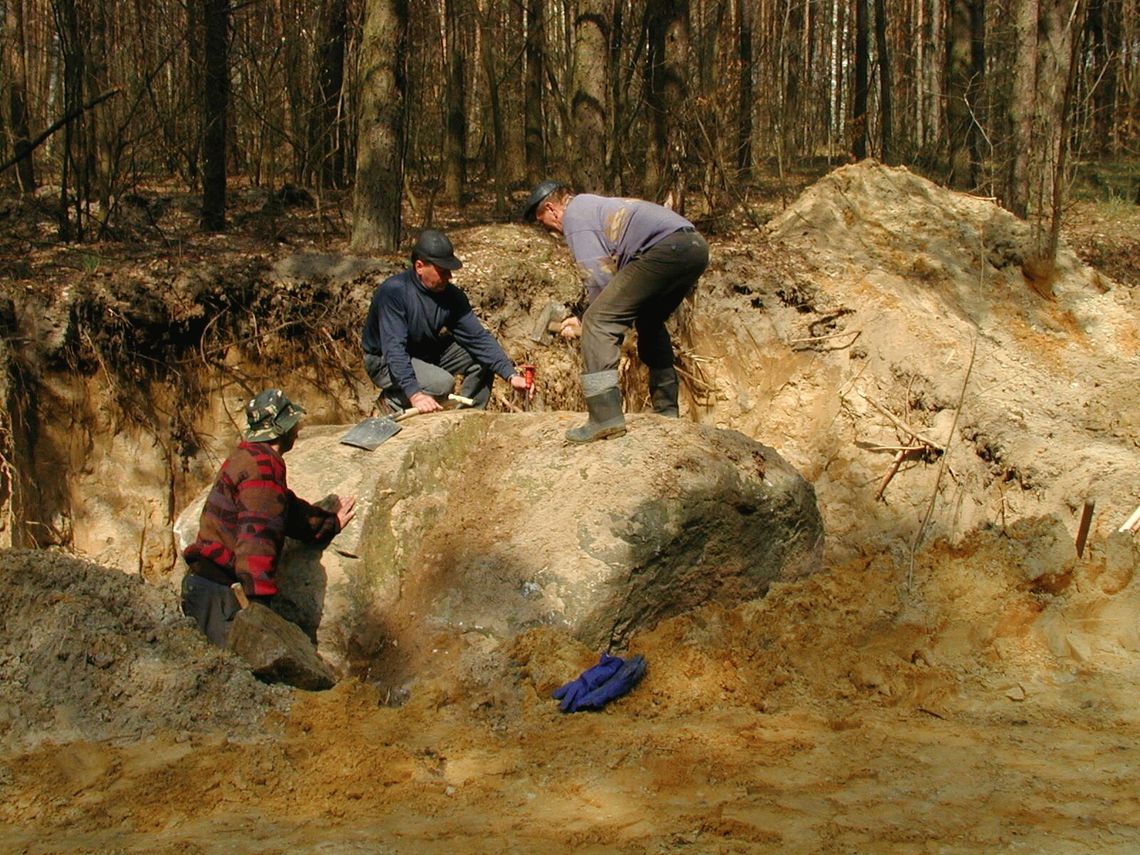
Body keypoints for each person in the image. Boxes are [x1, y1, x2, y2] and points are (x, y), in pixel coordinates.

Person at [521, 180, 709, 443]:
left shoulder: (576, 217)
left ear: (552, 209)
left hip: (666, 249)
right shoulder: (592, 206)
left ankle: (604, 417)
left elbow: (599, 281)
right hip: (693, 248)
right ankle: (667, 411)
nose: (551, 231)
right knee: (650, 320)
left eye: (544, 222)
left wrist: (589, 320)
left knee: (599, 321)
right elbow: (617, 287)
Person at [181, 388, 356, 647]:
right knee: (236, 677)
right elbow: (257, 537)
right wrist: (260, 607)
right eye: (293, 423)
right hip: (220, 598)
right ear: (282, 429)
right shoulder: (263, 468)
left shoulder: (247, 456)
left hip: (204, 587)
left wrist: (327, 524)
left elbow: (284, 508)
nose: (297, 429)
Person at [361, 229, 530, 413]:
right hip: (384, 361)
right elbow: (394, 350)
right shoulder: (394, 293)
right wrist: (415, 393)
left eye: (449, 271)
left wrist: (511, 375)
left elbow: (478, 338)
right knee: (442, 384)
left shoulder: (451, 296)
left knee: (483, 358)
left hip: (423, 352)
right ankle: (392, 401)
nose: (449, 277)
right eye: (442, 271)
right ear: (419, 266)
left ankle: (467, 415)